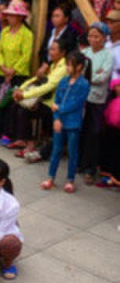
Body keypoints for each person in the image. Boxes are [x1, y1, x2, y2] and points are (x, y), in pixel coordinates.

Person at [6, 39, 68, 162]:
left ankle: (30, 145)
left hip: (53, 104)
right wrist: (20, 89)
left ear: (62, 52)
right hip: (43, 100)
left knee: (24, 111)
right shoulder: (51, 64)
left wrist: (25, 95)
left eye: (54, 49)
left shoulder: (63, 68)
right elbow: (35, 79)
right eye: (50, 49)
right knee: (16, 106)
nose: (50, 52)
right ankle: (24, 140)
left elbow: (48, 86)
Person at [41, 51, 91, 193]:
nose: (68, 68)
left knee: (72, 151)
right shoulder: (63, 81)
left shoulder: (83, 84)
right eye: (67, 64)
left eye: (70, 65)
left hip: (72, 123)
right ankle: (51, 177)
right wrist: (56, 118)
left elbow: (76, 104)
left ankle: (70, 179)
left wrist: (59, 109)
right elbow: (56, 101)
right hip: (60, 121)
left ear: (80, 66)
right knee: (56, 149)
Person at [0, 1, 33, 145]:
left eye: (13, 15)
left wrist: (13, 70)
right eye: (9, 15)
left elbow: (26, 56)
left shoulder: (27, 34)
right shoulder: (5, 31)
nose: (10, 18)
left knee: (11, 104)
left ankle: (8, 133)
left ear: (20, 17)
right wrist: (2, 66)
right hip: (1, 72)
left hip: (18, 74)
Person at [81, 22, 112, 184]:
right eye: (90, 36)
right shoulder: (85, 52)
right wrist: (92, 76)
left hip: (97, 99)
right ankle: (81, 163)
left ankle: (90, 169)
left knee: (94, 133)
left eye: (96, 36)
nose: (93, 39)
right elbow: (78, 71)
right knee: (82, 130)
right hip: (83, 97)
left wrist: (89, 77)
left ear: (104, 38)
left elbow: (103, 76)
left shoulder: (108, 55)